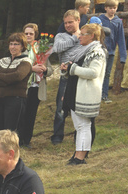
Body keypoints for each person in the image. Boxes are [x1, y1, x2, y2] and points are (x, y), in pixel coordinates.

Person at [61, 23, 106, 165]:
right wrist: (66, 68)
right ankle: (77, 155)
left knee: (83, 126)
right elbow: (76, 70)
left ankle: (80, 158)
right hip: (75, 91)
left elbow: (94, 72)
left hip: (85, 94)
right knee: (78, 126)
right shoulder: (83, 50)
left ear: (91, 36)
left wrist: (73, 68)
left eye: (83, 34)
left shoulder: (97, 52)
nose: (79, 36)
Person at [0, 33, 32, 132]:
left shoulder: (26, 61)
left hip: (15, 100)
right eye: (11, 44)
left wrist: (1, 76)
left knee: (9, 131)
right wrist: (8, 81)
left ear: (22, 46)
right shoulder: (3, 60)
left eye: (16, 44)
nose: (12, 47)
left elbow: (18, 76)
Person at [19, 23, 53, 148]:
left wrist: (44, 69)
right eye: (26, 33)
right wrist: (31, 69)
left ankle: (27, 140)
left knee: (31, 114)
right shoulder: (20, 47)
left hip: (36, 86)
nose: (28, 36)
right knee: (20, 113)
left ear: (35, 35)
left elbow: (50, 70)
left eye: (31, 34)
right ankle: (18, 139)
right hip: (22, 86)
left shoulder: (42, 48)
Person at [52, 10, 82, 145]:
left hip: (80, 77)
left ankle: (80, 136)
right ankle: (57, 136)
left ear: (78, 20)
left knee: (79, 108)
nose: (68, 25)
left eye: (70, 22)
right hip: (65, 78)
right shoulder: (61, 36)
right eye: (65, 23)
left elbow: (82, 53)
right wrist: (75, 38)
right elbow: (57, 48)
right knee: (60, 108)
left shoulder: (85, 34)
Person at [99, 0, 127, 104]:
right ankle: (96, 94)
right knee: (98, 73)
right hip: (100, 51)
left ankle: (104, 95)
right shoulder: (100, 19)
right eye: (110, 8)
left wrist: (123, 56)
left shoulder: (118, 21)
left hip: (111, 52)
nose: (112, 10)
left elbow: (121, 39)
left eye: (114, 8)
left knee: (107, 74)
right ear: (106, 8)